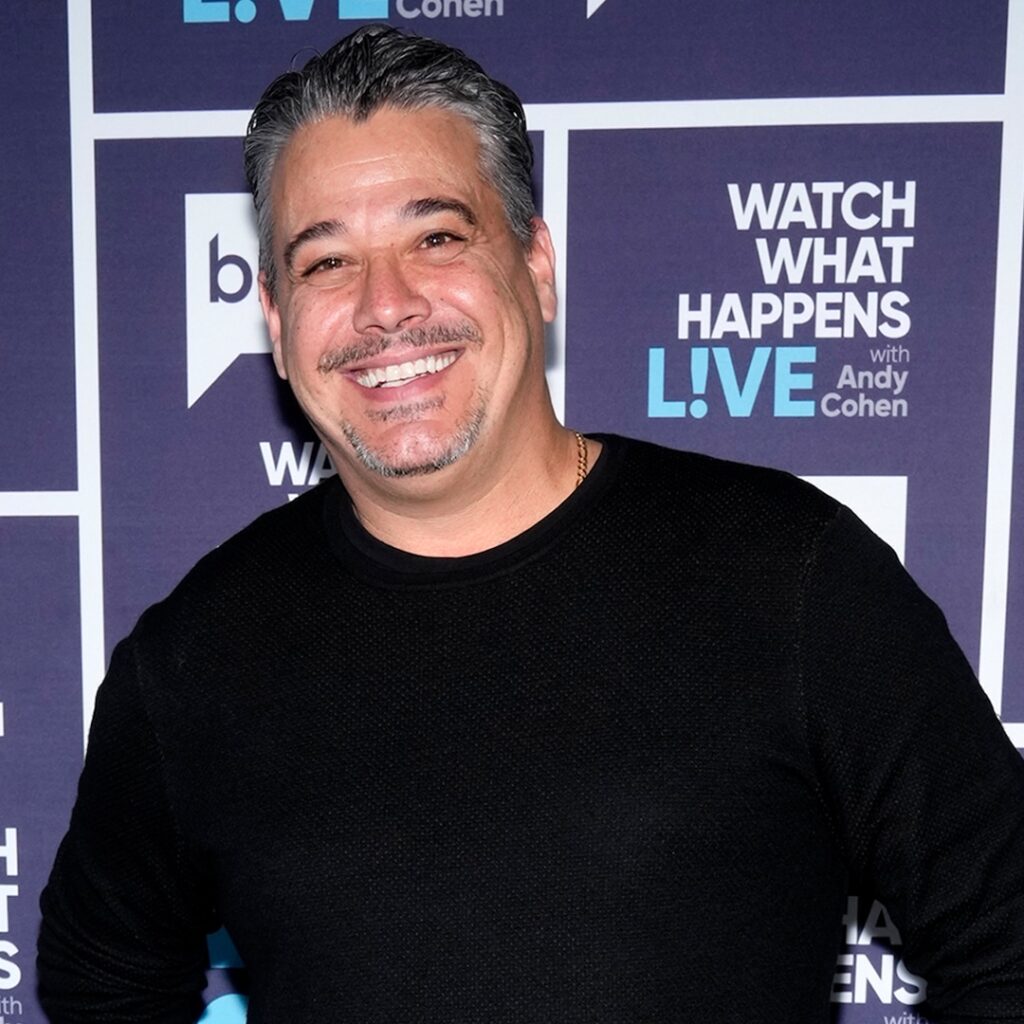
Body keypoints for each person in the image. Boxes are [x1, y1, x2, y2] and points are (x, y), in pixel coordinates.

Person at [38, 24, 1024, 1023]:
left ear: (536, 265)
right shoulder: (194, 658)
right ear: (278, 324)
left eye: (436, 238)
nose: (385, 306)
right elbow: (101, 983)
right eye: (327, 261)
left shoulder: (788, 575)